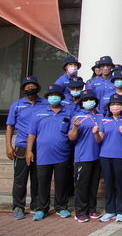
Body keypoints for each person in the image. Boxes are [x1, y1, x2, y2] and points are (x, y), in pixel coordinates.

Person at [26, 84, 73, 221]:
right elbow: (31, 134)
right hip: (43, 154)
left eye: (56, 96)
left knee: (61, 182)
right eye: (51, 96)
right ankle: (41, 208)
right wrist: (29, 151)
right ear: (47, 98)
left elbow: (72, 133)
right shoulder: (38, 113)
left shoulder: (68, 112)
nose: (54, 98)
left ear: (61, 98)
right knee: (42, 183)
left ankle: (61, 207)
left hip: (62, 154)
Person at [5, 76, 47, 220]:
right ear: (23, 90)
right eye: (27, 87)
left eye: (32, 86)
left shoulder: (45, 104)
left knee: (38, 178)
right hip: (22, 146)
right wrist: (8, 146)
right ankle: (18, 206)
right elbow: (9, 126)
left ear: (38, 88)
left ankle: (36, 205)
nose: (30, 89)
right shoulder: (16, 105)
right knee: (20, 179)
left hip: (40, 147)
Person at [68, 89, 104, 222]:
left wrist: (96, 133)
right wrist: (75, 128)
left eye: (91, 99)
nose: (89, 102)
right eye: (86, 100)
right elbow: (71, 137)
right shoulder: (77, 117)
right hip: (82, 157)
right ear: (82, 103)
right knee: (82, 185)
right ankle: (80, 212)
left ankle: (91, 209)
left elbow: (100, 137)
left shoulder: (100, 116)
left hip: (97, 156)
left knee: (93, 185)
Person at [99, 94, 122, 222]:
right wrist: (96, 133)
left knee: (121, 184)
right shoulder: (104, 120)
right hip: (105, 155)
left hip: (121, 156)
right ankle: (109, 210)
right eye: (113, 104)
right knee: (108, 184)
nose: (115, 107)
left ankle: (121, 211)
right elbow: (99, 139)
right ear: (109, 107)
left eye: (118, 104)